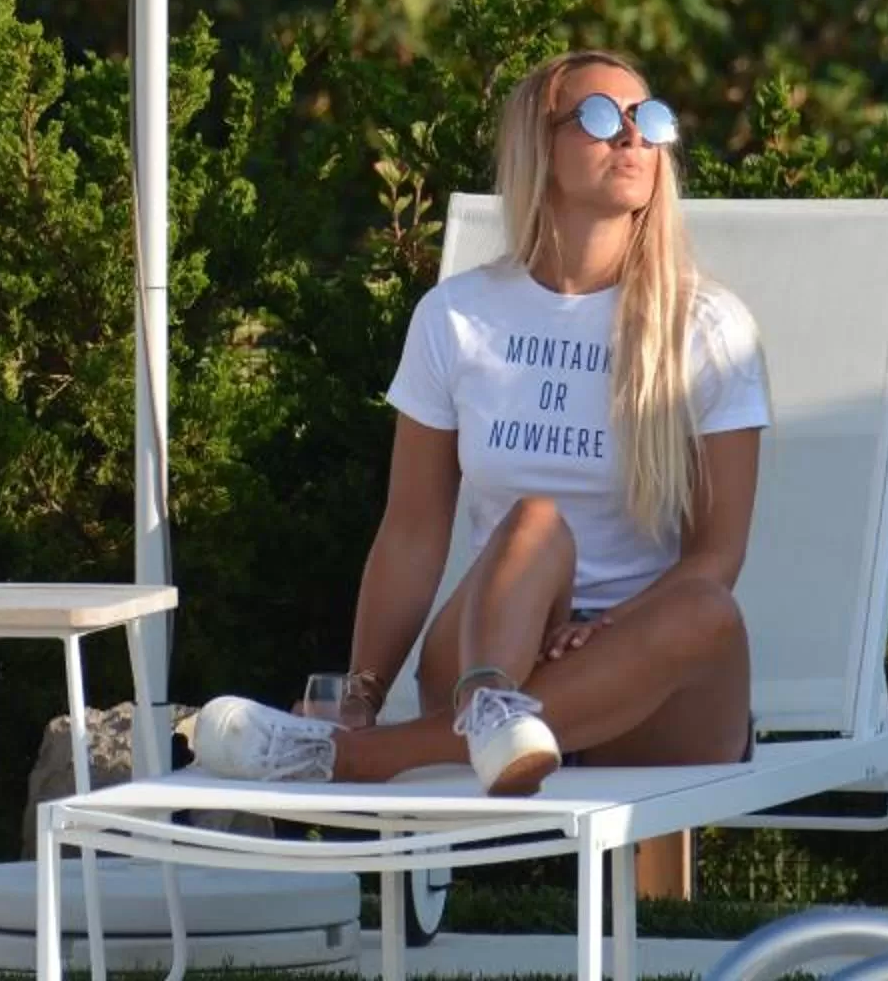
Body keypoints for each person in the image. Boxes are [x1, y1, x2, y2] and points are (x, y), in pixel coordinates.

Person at [189, 49, 768, 795]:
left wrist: (607, 629)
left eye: (648, 121)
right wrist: (361, 692)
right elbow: (412, 531)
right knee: (531, 523)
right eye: (600, 117)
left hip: (649, 677)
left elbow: (717, 555)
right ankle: (492, 711)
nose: (633, 139)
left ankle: (356, 760)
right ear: (539, 145)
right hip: (493, 644)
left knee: (707, 610)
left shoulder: (706, 325)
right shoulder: (458, 316)